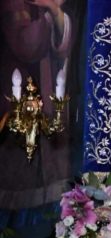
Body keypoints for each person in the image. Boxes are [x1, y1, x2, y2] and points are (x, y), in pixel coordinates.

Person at [0, 0, 73, 210]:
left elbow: (64, 48)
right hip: (16, 103)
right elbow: (27, 46)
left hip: (47, 99)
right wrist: (52, 10)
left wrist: (55, 11)